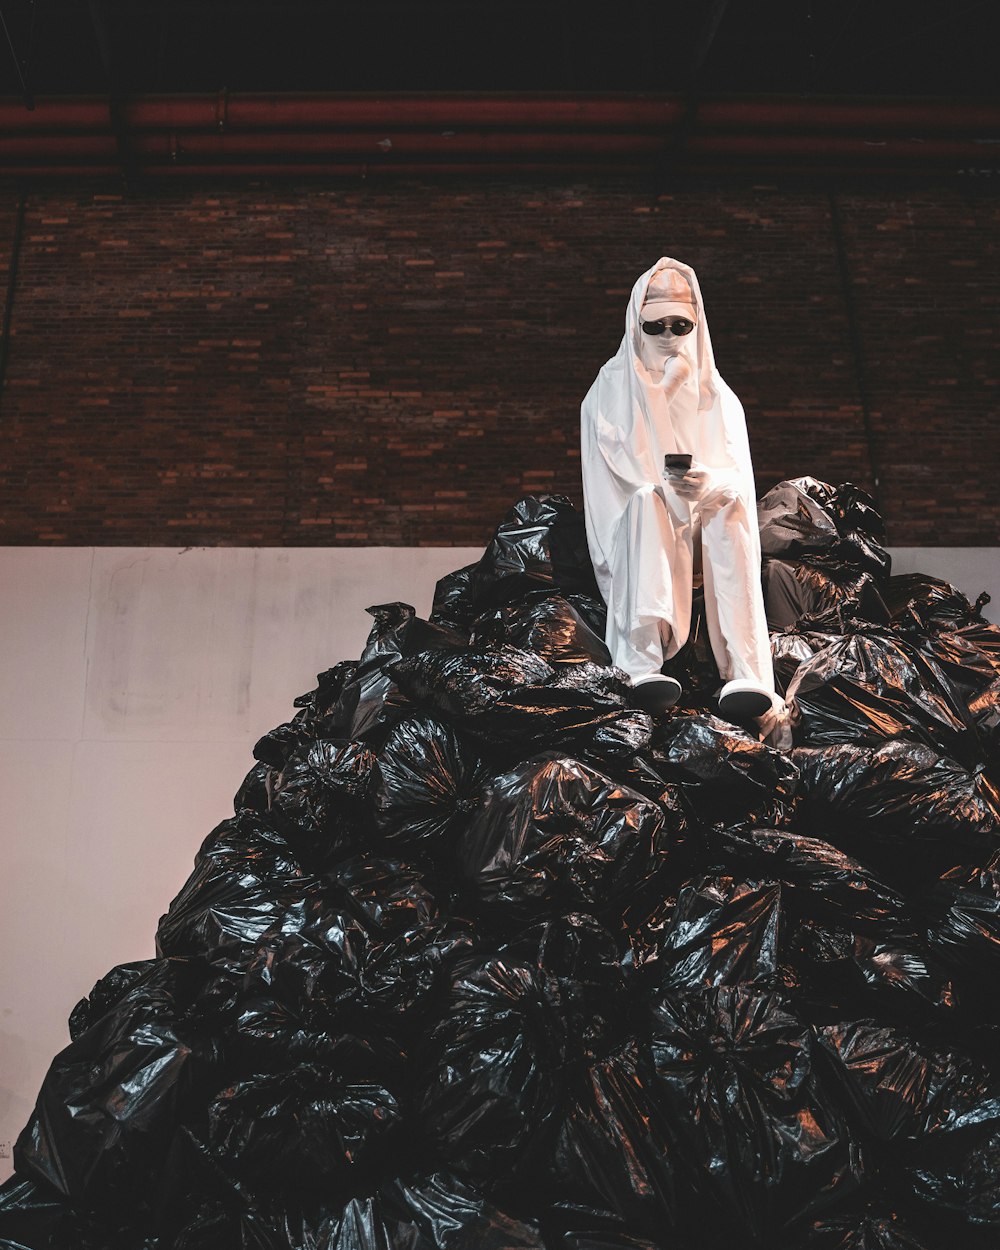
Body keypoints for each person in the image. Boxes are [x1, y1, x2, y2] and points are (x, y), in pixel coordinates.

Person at [580, 256, 783, 729]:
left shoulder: (720, 398)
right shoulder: (607, 394)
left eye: (681, 324)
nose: (670, 336)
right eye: (656, 325)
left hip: (700, 533)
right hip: (641, 531)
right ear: (637, 323)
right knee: (646, 502)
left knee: (729, 506)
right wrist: (657, 396)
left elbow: (735, 476)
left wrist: (706, 487)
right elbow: (617, 480)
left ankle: (747, 672)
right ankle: (638, 661)